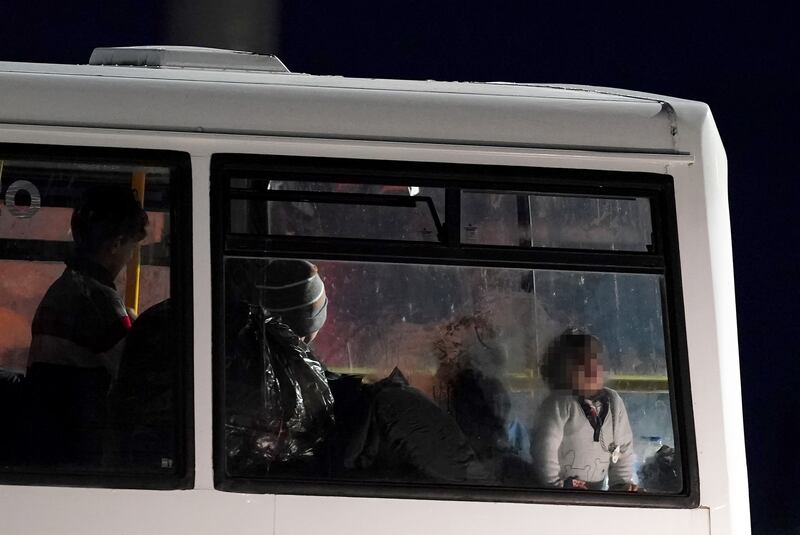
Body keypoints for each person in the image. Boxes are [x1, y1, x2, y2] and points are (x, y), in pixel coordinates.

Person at [26, 185, 147, 466]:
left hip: (50, 435)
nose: (130, 257)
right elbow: (136, 373)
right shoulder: (98, 302)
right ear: (116, 244)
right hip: (77, 446)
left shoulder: (66, 288)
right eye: (131, 247)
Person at [531, 329, 638, 491]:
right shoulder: (559, 404)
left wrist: (621, 484)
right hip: (562, 490)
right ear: (559, 371)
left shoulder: (613, 401)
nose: (592, 367)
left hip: (596, 490)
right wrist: (554, 485)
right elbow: (544, 448)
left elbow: (624, 447)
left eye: (597, 360)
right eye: (580, 362)